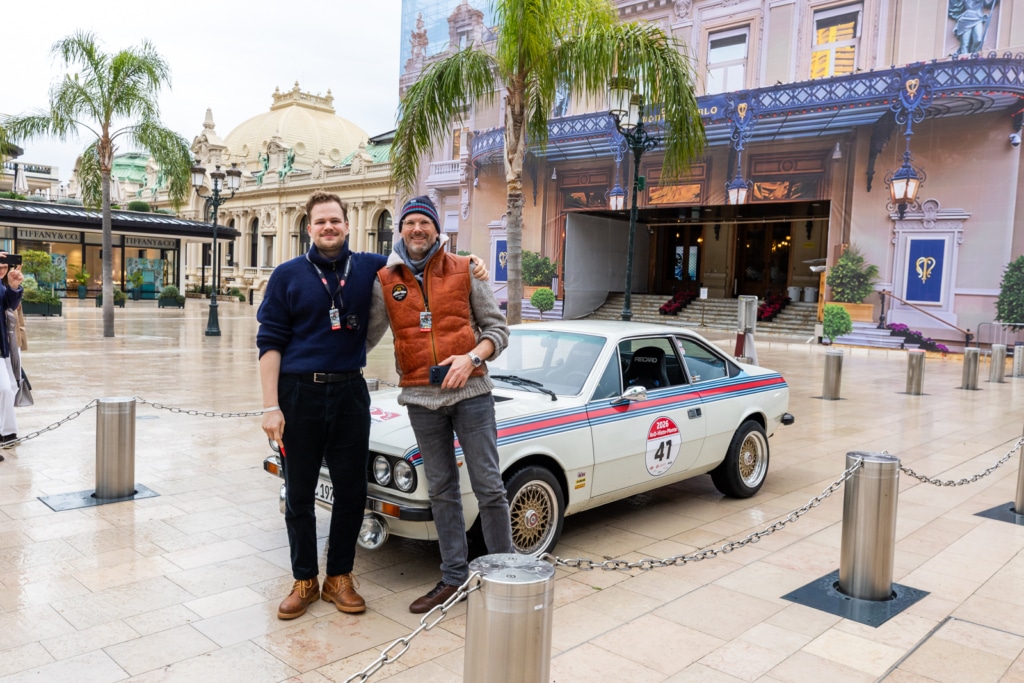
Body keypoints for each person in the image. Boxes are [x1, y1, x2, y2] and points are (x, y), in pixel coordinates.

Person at [258, 191, 488, 620]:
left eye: (335, 220)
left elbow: (421, 258)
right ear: (309, 228)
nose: (328, 227)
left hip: (349, 392)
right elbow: (269, 343)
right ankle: (304, 579)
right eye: (320, 221)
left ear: (347, 226)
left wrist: (472, 262)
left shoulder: (370, 267)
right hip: (298, 394)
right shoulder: (287, 275)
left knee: (352, 491)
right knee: (299, 493)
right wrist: (271, 406)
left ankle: (339, 577)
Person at [369, 195, 514, 614]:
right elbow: (366, 336)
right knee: (443, 491)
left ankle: (503, 575)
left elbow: (498, 331)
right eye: (410, 222)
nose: (417, 229)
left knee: (489, 486)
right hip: (420, 399)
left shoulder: (466, 269)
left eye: (424, 223)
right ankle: (454, 578)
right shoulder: (385, 280)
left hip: (472, 396)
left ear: (437, 229)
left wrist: (472, 359)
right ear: (400, 230)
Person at [0, 255, 24, 458]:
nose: (2, 268)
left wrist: (14, 287)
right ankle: (7, 433)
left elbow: (10, 304)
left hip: (4, 347)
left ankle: (8, 432)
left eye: (5, 266)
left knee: (8, 388)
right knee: (5, 389)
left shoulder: (2, 287)